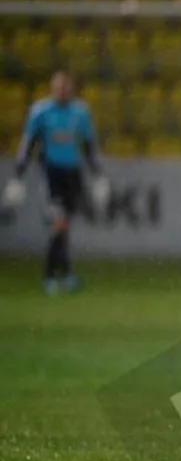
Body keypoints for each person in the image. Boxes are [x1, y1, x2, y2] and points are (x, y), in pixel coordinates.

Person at [2, 70, 110, 295]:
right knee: (59, 223)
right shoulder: (41, 112)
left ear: (71, 88)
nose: (62, 90)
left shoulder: (81, 113)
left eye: (65, 86)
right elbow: (28, 144)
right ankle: (50, 276)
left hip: (73, 175)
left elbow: (89, 147)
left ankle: (67, 274)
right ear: (52, 88)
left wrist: (99, 175)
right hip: (51, 174)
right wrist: (18, 176)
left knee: (63, 226)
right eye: (58, 86)